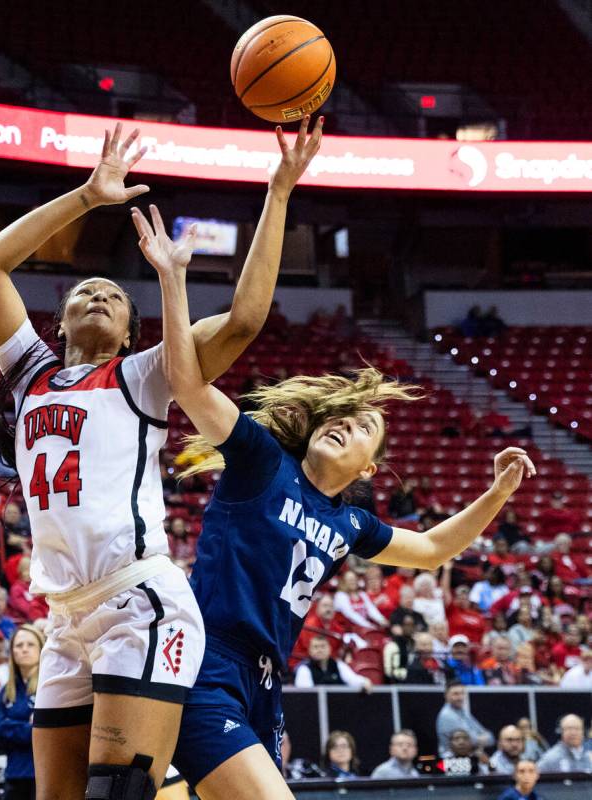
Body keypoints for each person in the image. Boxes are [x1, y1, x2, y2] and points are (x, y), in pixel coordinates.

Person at [0, 115, 323, 799]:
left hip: (139, 603)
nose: (97, 294)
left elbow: (245, 320)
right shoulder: (28, 373)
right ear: (62, 318)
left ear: (131, 329)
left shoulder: (143, 373)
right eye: (83, 291)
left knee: (119, 794)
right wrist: (87, 197)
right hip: (64, 618)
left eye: (112, 294)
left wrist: (278, 193)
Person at [148, 199, 535, 798]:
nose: (347, 425)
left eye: (363, 428)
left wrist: (496, 493)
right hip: (207, 660)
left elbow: (432, 548)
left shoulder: (351, 522)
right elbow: (187, 382)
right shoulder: (260, 461)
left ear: (369, 467)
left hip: (263, 680)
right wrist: (175, 280)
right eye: (343, 417)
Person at [0, 625, 46, 800]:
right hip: (15, 773)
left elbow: (48, 732)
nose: (24, 649)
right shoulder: (6, 692)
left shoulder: (49, 687)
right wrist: (29, 726)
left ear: (41, 649)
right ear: (12, 651)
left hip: (44, 773)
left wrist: (13, 725)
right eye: (19, 645)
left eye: (30, 644)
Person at [436, 682, 494, 757]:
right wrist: (480, 738)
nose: (460, 697)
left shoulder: (462, 712)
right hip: (450, 761)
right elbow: (471, 741)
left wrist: (480, 738)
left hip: (465, 758)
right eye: (455, 694)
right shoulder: (447, 715)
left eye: (462, 693)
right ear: (446, 696)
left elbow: (491, 738)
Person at [293, 635, 371, 690]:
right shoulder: (304, 669)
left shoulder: (338, 665)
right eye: (316, 647)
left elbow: (353, 680)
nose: (319, 650)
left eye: (323, 646)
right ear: (310, 651)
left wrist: (364, 682)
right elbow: (305, 694)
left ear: (329, 649)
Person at [383, 614, 416, 682]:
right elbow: (389, 672)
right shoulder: (392, 646)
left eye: (412, 625)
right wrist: (409, 673)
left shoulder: (415, 644)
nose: (410, 628)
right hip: (400, 683)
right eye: (406, 625)